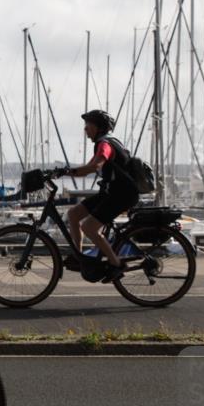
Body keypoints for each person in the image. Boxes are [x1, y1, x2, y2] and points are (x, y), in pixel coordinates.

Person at [62, 110, 139, 282]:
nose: (85, 129)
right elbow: (88, 168)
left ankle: (116, 264)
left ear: (98, 127)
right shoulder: (105, 142)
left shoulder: (105, 144)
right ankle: (79, 255)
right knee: (73, 214)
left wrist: (67, 172)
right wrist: (64, 172)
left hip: (122, 194)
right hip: (110, 192)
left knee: (89, 227)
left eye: (88, 125)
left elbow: (95, 166)